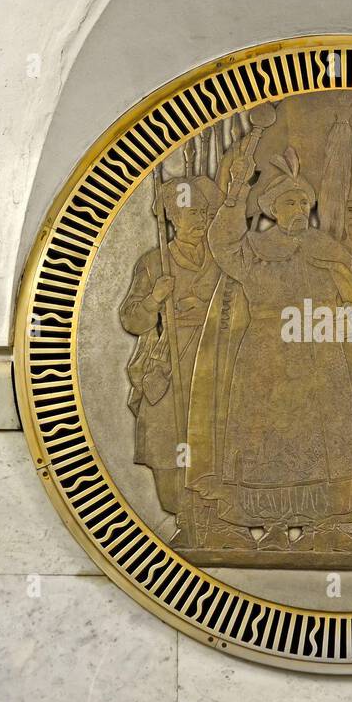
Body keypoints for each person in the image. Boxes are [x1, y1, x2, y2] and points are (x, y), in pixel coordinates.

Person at [187, 146, 352, 550]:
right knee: (268, 441)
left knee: (321, 443)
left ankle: (322, 528)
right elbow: (221, 242)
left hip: (320, 355)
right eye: (290, 200)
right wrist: (236, 193)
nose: (299, 207)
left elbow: (350, 296)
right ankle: (270, 525)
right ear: (272, 208)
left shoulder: (327, 251)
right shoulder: (253, 251)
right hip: (265, 355)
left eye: (304, 201)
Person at [120, 173, 222, 520]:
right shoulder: (153, 263)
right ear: (173, 218)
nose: (200, 221)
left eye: (205, 214)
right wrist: (154, 299)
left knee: (215, 440)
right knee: (168, 446)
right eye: (192, 213)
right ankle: (182, 515)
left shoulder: (222, 259)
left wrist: (206, 306)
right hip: (168, 362)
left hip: (214, 360)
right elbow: (131, 320)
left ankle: (215, 517)